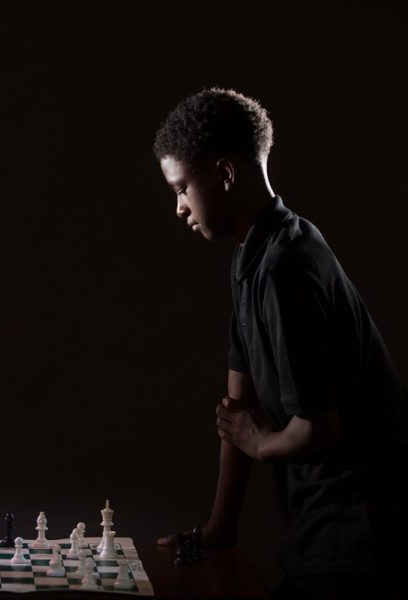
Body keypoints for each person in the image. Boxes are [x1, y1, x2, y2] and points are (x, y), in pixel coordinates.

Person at [152, 88, 408, 599]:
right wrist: (221, 526)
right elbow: (237, 408)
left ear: (225, 174)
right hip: (318, 537)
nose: (178, 208)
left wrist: (262, 442)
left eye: (182, 189)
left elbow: (318, 427)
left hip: (362, 539)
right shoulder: (250, 257)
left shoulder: (286, 267)